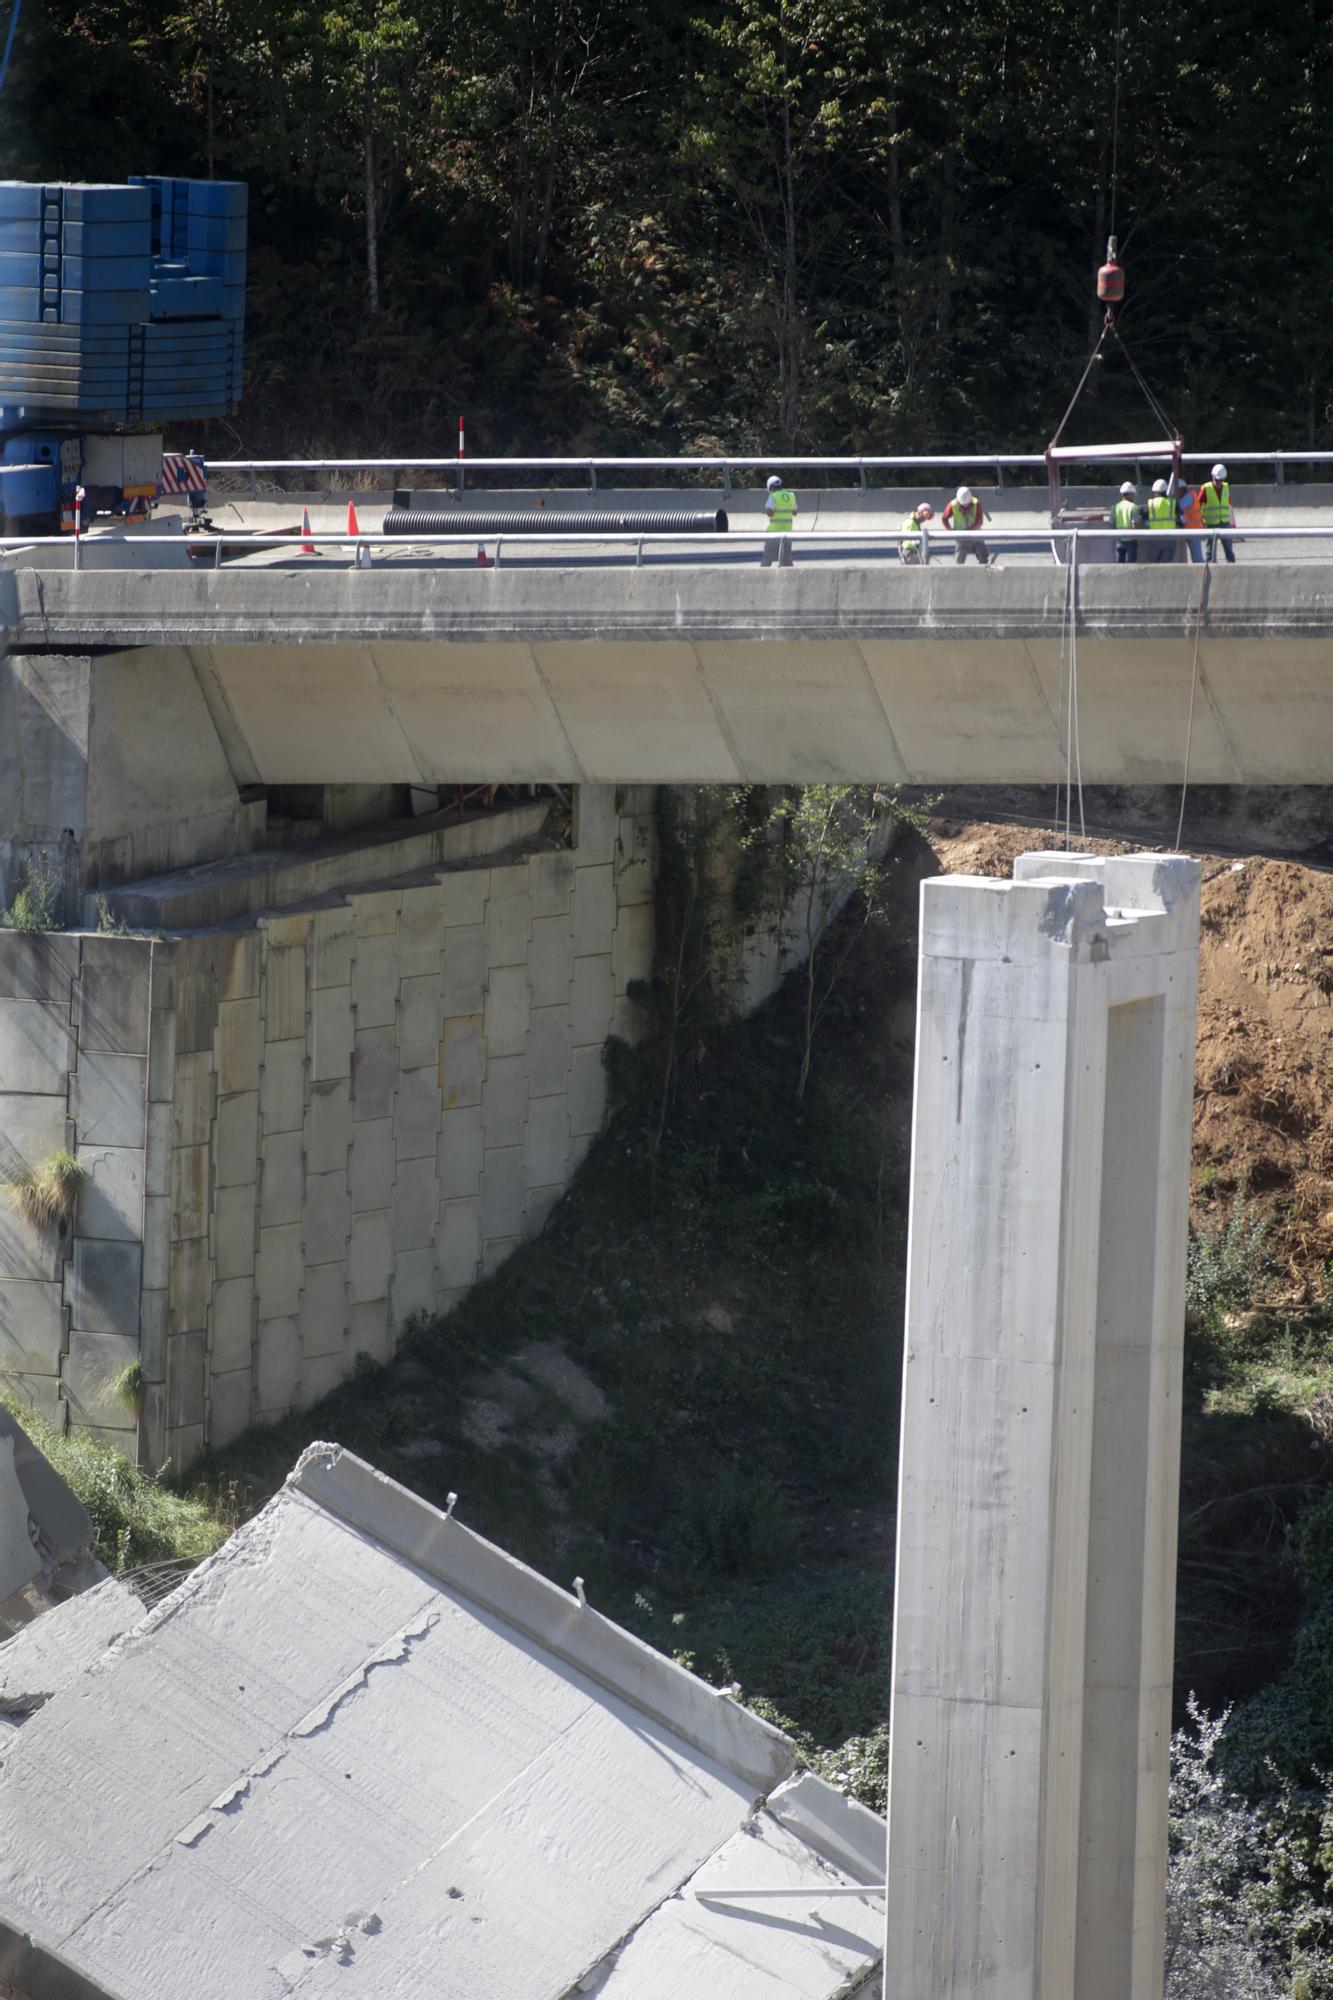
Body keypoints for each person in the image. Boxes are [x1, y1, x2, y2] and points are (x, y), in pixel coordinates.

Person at [941, 485, 991, 565]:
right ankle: (959, 575)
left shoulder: (976, 503)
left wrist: (969, 530)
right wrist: (950, 530)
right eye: (962, 506)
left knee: (983, 557)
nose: (965, 507)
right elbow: (944, 518)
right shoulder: (952, 505)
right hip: (961, 537)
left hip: (976, 535)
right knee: (959, 560)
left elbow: (979, 521)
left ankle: (984, 573)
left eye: (967, 505)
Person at [1200, 462, 1236, 563]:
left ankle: (1232, 569)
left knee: (1229, 551)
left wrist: (1232, 524)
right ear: (1212, 477)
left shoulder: (1226, 487)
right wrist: (1201, 521)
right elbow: (1198, 506)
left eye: (1221, 480)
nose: (1218, 483)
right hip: (1210, 524)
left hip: (1225, 523)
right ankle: (1209, 570)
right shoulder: (1206, 488)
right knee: (1209, 552)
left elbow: (1229, 505)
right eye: (1216, 480)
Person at [762, 473, 797, 567]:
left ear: (770, 487)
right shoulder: (791, 495)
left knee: (767, 557)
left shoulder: (773, 496)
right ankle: (790, 576)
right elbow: (795, 512)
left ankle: (762, 577)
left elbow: (769, 512)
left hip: (774, 532)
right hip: (787, 532)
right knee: (787, 557)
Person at [1146, 477, 1180, 561]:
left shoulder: (1151, 503)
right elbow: (1180, 516)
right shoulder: (1172, 503)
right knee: (1166, 565)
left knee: (1153, 565)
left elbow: (1144, 514)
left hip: (1154, 538)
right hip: (1170, 538)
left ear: (1156, 492)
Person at [1113, 480, 1143, 563]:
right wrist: (1138, 538)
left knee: (1120, 565)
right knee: (1131, 566)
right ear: (1130, 494)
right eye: (1133, 494)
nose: (1134, 496)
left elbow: (1111, 524)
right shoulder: (1135, 507)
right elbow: (1135, 525)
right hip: (1131, 541)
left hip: (1119, 540)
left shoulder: (1115, 507)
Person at [1179, 475, 1206, 564]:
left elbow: (1178, 506)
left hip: (1194, 530)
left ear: (1182, 489)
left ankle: (1202, 571)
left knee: (1197, 556)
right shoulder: (1190, 495)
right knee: (1196, 555)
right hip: (1191, 529)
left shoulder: (1188, 496)